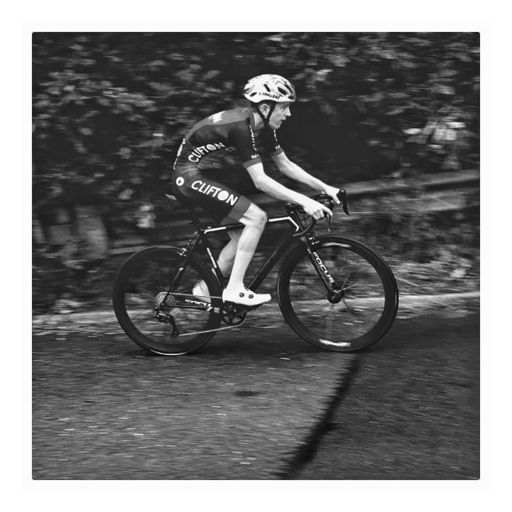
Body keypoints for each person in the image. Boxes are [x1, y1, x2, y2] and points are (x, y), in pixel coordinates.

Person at [172, 74, 340, 307]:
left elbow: (285, 165)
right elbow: (260, 181)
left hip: (203, 176)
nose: (288, 114)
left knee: (240, 236)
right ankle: (235, 289)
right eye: (284, 107)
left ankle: (204, 291)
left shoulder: (262, 126)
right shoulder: (242, 128)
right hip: (188, 177)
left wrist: (325, 187)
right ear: (265, 107)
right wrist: (306, 201)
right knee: (256, 218)